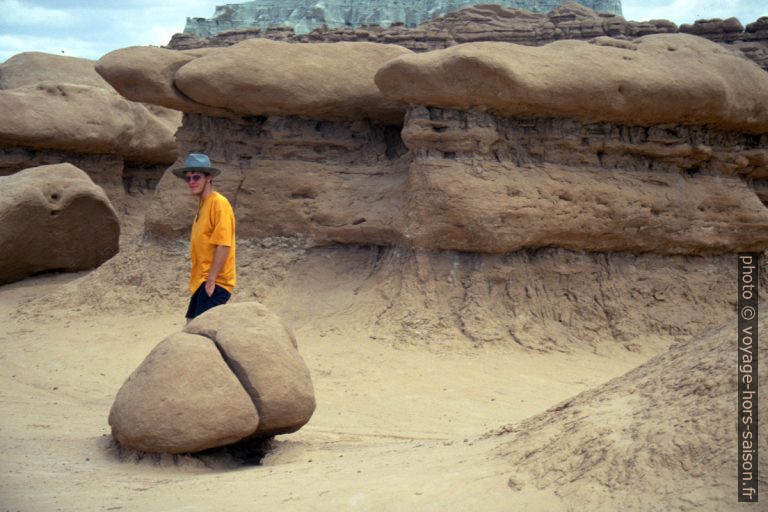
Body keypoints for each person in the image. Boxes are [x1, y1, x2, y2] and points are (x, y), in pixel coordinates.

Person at [171, 153, 236, 322]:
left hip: (216, 283)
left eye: (196, 177)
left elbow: (224, 244)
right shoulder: (203, 205)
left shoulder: (219, 203)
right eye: (188, 178)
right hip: (202, 281)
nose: (191, 182)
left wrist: (211, 280)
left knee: (199, 334)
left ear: (209, 178)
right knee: (190, 326)